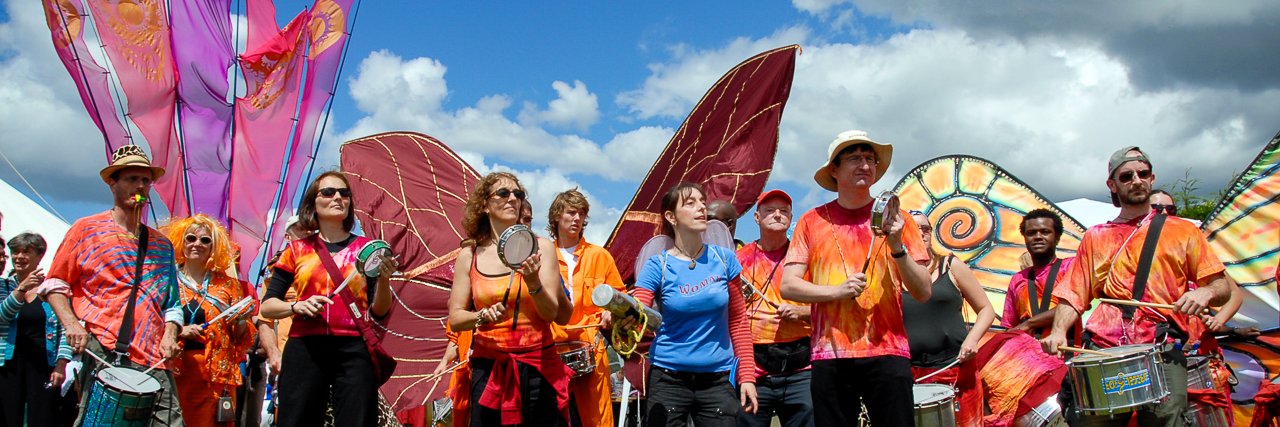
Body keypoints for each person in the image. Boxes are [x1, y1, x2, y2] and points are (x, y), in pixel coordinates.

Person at [1040, 146, 1235, 426]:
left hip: (1161, 345)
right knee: (1096, 422)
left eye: (1143, 174)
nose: (1136, 180)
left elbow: (1221, 287)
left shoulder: (1183, 231)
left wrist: (1204, 292)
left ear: (1152, 178)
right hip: (1105, 348)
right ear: (1113, 185)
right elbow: (1073, 294)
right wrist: (1058, 331)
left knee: (1166, 421)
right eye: (1127, 176)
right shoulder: (1096, 237)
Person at [780, 130, 933, 427]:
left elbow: (923, 291)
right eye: (854, 158)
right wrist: (837, 291)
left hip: (888, 350)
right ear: (834, 170)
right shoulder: (813, 220)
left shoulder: (899, 219)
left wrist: (898, 246)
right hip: (830, 354)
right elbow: (789, 285)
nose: (864, 164)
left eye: (869, 158)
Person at [37, 145, 186, 426]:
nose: (141, 186)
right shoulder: (86, 229)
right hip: (103, 346)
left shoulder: (162, 244)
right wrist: (71, 324)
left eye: (146, 180)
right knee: (101, 420)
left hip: (154, 353)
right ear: (112, 183)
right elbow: (55, 283)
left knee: (170, 422)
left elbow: (173, 304)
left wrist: (170, 334)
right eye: (132, 179)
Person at [260, 171, 398, 427]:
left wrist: (385, 280)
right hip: (305, 346)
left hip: (354, 346)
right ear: (313, 202)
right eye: (329, 192)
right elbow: (268, 305)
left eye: (344, 193)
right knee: (297, 420)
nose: (338, 197)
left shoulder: (367, 249)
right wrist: (295, 305)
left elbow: (379, 312)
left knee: (356, 421)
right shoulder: (296, 250)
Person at [626, 182, 756, 426]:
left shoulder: (724, 259)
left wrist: (747, 376)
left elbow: (738, 321)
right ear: (670, 216)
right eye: (690, 203)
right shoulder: (658, 265)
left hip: (717, 381)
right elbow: (639, 308)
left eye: (702, 202)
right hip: (668, 379)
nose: (701, 208)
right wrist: (621, 314)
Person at [446, 171, 570, 426]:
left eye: (519, 194)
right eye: (503, 193)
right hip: (489, 370)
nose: (513, 199)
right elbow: (456, 318)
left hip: (539, 367)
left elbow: (551, 314)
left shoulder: (542, 247)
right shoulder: (470, 255)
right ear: (484, 204)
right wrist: (481, 316)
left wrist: (533, 281)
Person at [901, 210, 994, 426]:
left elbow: (986, 309)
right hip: (911, 374)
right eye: (914, 228)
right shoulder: (893, 273)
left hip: (956, 370)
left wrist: (972, 339)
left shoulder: (950, 265)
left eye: (926, 228)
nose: (922, 233)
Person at [164, 215, 258, 426]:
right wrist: (180, 331)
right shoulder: (166, 281)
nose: (197, 244)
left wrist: (242, 320)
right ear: (181, 241)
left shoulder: (229, 285)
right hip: (174, 370)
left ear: (214, 247)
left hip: (215, 376)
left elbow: (240, 339)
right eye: (191, 238)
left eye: (205, 240)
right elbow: (151, 322)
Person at [544, 188, 625, 427]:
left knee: (597, 418)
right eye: (571, 213)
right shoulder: (542, 254)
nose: (577, 219)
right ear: (556, 216)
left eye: (581, 214)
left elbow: (619, 295)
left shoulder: (600, 255)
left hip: (592, 345)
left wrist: (612, 309)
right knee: (552, 417)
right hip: (550, 347)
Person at [736, 189, 813, 427]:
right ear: (757, 218)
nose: (778, 215)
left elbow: (831, 305)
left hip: (802, 367)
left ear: (791, 217)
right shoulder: (739, 260)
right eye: (770, 210)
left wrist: (802, 311)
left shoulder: (807, 257)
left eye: (784, 211)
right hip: (755, 369)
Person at [1, 233, 73, 426]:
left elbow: (67, 329)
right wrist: (21, 289)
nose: (19, 257)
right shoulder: (4, 286)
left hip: (44, 364)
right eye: (15, 252)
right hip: (8, 366)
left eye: (26, 252)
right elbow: (2, 316)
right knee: (7, 418)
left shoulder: (53, 290)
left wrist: (61, 365)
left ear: (39, 256)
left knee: (42, 418)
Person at [1002, 209, 1079, 339]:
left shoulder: (1071, 267)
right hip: (1026, 355)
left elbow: (1073, 306)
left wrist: (1029, 323)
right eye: (1031, 233)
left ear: (1057, 238)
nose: (1038, 237)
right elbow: (1010, 326)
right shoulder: (1018, 279)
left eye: (1045, 232)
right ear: (1025, 239)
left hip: (1064, 353)